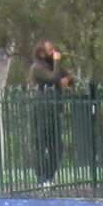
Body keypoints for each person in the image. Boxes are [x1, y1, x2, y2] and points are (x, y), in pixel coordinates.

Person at [28, 42, 72, 188]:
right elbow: (53, 78)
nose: (54, 52)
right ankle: (42, 177)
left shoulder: (53, 65)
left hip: (55, 110)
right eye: (50, 50)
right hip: (41, 111)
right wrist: (57, 62)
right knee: (41, 145)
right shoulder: (37, 68)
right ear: (42, 53)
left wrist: (67, 80)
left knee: (57, 146)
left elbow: (66, 77)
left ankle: (50, 175)